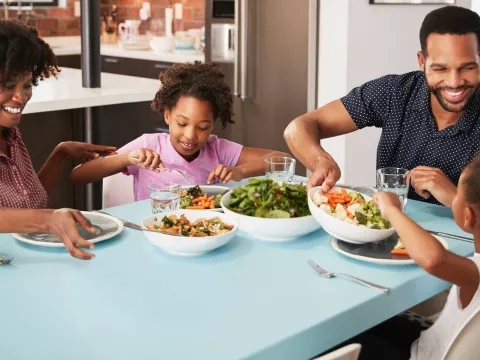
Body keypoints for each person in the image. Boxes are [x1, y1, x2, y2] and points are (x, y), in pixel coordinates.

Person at [284, 6, 480, 207]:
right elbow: (298, 127)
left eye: (467, 68)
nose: (454, 82)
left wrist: (455, 197)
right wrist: (320, 161)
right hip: (385, 229)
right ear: (422, 62)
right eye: (440, 69)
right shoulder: (394, 92)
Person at [70, 62, 291, 200]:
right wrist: (127, 158)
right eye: (182, 123)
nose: (190, 135)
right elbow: (78, 175)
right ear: (167, 115)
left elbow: (283, 159)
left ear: (213, 125)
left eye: (203, 127)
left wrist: (240, 172)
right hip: (151, 233)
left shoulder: (218, 150)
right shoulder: (148, 144)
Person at [0, 20, 116, 260]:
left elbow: (29, 201)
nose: (21, 97)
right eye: (9, 86)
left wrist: (60, 154)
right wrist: (48, 220)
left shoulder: (10, 134)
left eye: (27, 85)